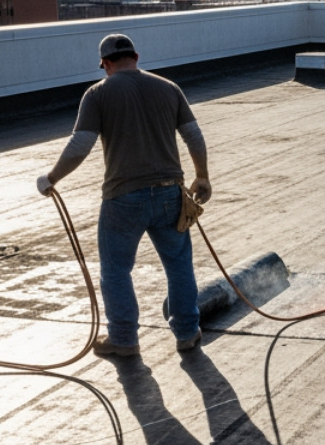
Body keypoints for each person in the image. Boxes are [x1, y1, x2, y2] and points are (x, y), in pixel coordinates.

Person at [37, 33, 211, 357]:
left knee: (116, 270)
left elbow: (80, 145)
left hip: (123, 197)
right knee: (179, 265)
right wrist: (202, 176)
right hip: (170, 194)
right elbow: (194, 135)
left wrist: (51, 178)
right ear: (136, 57)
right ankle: (187, 333)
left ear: (105, 63)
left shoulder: (98, 94)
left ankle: (123, 339)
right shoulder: (168, 88)